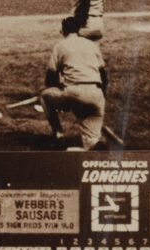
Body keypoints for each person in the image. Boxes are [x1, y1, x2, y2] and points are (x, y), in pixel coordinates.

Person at [39, 16, 107, 150]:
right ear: (78, 29)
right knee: (91, 143)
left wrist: (63, 94)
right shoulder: (91, 44)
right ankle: (97, 145)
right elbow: (104, 76)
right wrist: (100, 98)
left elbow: (49, 80)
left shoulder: (60, 46)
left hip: (74, 93)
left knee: (44, 96)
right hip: (97, 95)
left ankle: (58, 135)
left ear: (64, 30)